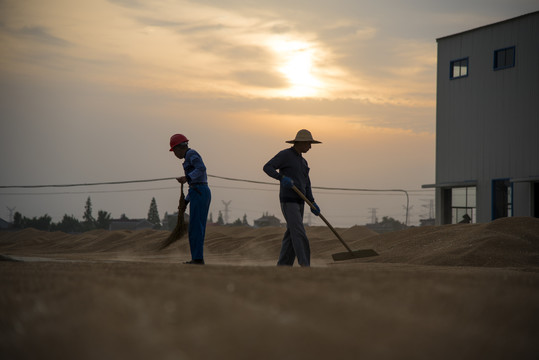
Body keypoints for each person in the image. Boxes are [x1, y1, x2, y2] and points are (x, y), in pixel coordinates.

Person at [263, 129, 322, 267]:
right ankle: (305, 265)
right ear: (300, 143)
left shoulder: (304, 162)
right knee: (299, 233)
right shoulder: (285, 155)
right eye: (308, 143)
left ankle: (283, 266)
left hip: (300, 202)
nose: (310, 147)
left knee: (291, 234)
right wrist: (281, 178)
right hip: (289, 201)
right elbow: (267, 167)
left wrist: (312, 202)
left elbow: (306, 183)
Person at [170, 133, 211, 265]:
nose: (174, 155)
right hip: (196, 192)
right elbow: (193, 183)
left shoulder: (191, 154)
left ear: (178, 148)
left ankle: (198, 259)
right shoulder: (188, 157)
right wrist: (186, 201)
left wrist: (187, 178)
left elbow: (201, 168)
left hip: (200, 192)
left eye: (174, 151)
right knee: (195, 227)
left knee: (196, 227)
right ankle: (196, 257)